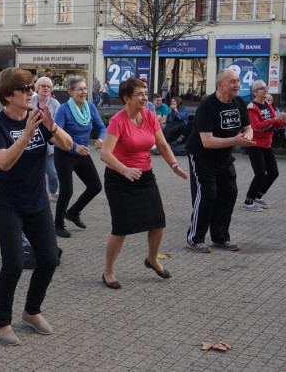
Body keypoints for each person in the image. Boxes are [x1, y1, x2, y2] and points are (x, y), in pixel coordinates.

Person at [0, 67, 72, 346]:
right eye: (25, 89)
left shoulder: (37, 117)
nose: (31, 93)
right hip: (6, 203)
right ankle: (2, 323)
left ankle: (31, 311)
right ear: (9, 95)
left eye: (32, 87)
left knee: (49, 258)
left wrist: (51, 127)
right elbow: (4, 162)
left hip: (36, 202)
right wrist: (25, 135)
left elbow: (68, 144)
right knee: (13, 263)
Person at [100, 77, 187, 288]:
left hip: (145, 177)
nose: (144, 97)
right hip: (119, 179)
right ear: (126, 98)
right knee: (121, 228)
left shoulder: (149, 116)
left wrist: (174, 165)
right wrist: (124, 169)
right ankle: (108, 271)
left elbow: (163, 145)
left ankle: (152, 258)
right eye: (139, 94)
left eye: (146, 93)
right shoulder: (118, 120)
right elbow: (105, 153)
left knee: (158, 222)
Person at [185, 68, 255, 253]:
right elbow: (206, 141)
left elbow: (248, 128)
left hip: (224, 157)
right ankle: (195, 238)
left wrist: (247, 136)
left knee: (230, 192)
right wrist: (235, 140)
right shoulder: (207, 105)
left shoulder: (239, 102)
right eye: (232, 81)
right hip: (202, 157)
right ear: (220, 84)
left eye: (238, 81)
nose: (237, 85)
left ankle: (220, 236)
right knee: (208, 195)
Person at [53, 76, 106, 238]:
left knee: (95, 186)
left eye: (85, 88)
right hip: (65, 153)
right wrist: (74, 147)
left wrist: (101, 138)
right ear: (70, 92)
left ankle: (73, 212)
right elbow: (56, 134)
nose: (83, 92)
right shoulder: (63, 110)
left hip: (83, 154)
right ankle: (58, 225)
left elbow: (101, 127)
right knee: (67, 190)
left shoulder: (90, 106)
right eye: (79, 89)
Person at [241, 80, 286, 212]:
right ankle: (248, 201)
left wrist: (284, 121)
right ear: (254, 92)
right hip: (254, 144)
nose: (265, 89)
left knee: (274, 173)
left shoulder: (268, 105)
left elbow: (275, 124)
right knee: (260, 174)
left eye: (265, 87)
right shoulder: (252, 107)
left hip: (266, 143)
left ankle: (258, 195)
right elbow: (256, 127)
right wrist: (275, 119)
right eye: (261, 88)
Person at [32, 76, 61, 201]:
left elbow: (58, 123)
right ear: (37, 88)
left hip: (49, 143)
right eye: (43, 86)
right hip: (32, 141)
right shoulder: (30, 101)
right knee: (34, 172)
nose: (46, 88)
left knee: (52, 172)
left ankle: (53, 191)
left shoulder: (55, 103)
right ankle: (36, 193)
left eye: (49, 86)